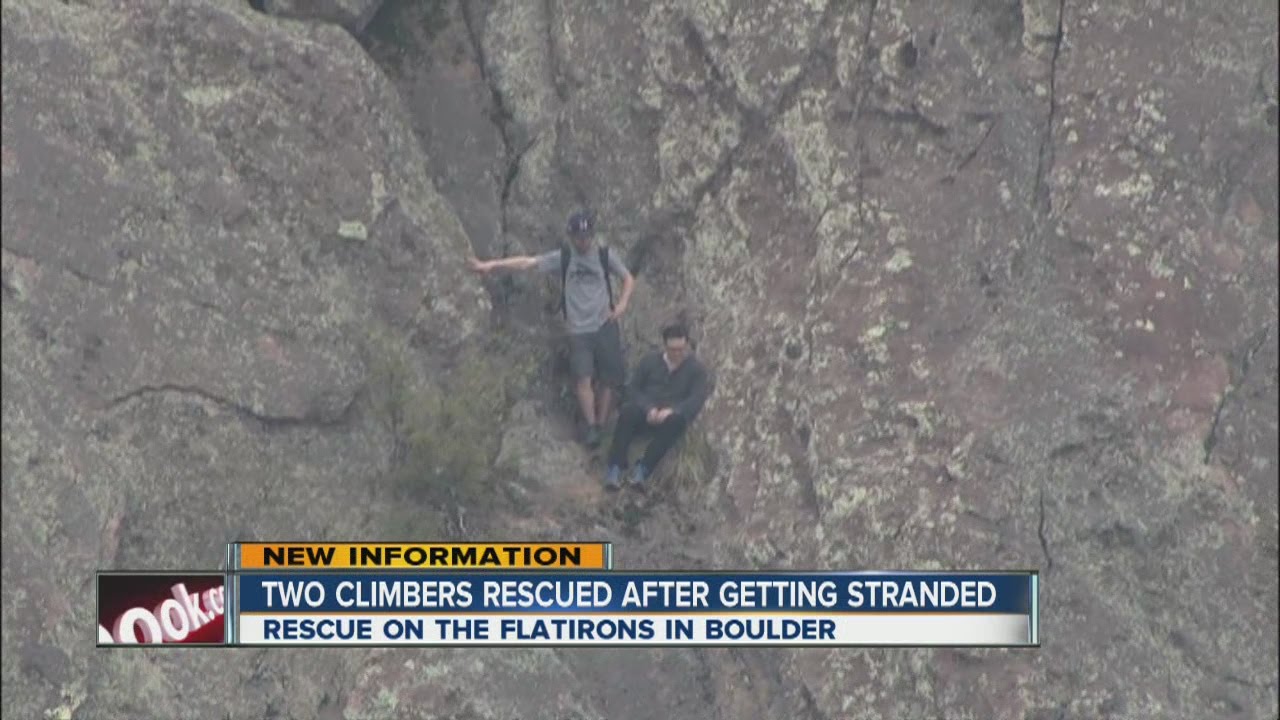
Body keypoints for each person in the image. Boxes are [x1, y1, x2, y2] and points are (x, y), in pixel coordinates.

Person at [468, 211, 635, 447]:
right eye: (578, 237)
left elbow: (628, 278)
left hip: (605, 324)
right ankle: (591, 427)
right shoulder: (563, 258)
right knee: (583, 378)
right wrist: (492, 265)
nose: (583, 241)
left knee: (610, 378)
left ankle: (601, 423)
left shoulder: (605, 256)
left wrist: (622, 304)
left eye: (587, 237)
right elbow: (528, 263)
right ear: (571, 237)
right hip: (578, 329)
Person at [604, 323, 711, 491]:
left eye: (681, 349)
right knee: (627, 413)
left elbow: (696, 398)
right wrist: (648, 408)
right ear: (665, 346)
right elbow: (633, 388)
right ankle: (615, 468)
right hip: (646, 412)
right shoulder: (650, 361)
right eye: (673, 349)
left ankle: (643, 469)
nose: (677, 353)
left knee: (677, 422)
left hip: (670, 418)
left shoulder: (695, 369)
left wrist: (673, 410)